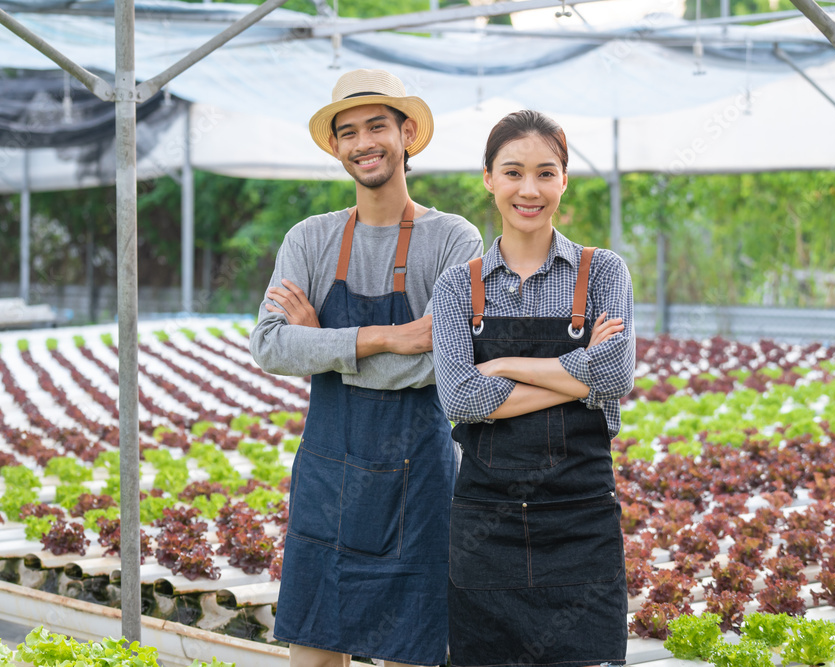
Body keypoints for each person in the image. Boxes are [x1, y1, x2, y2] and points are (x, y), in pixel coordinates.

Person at [251, 69, 483, 667]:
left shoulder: (455, 240)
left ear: (407, 133)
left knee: (413, 653)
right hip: (330, 481)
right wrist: (386, 337)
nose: (363, 143)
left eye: (377, 126)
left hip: (421, 487)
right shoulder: (310, 239)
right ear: (336, 147)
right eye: (347, 132)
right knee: (315, 654)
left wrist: (324, 346)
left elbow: (447, 362)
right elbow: (271, 348)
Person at [431, 110, 635, 667]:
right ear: (488, 178)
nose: (530, 189)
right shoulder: (457, 287)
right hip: (486, 527)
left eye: (546, 173)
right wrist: (580, 376)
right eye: (513, 172)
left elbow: (618, 378)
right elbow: (461, 400)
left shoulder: (604, 273)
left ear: (564, 180)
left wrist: (502, 366)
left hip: (580, 518)